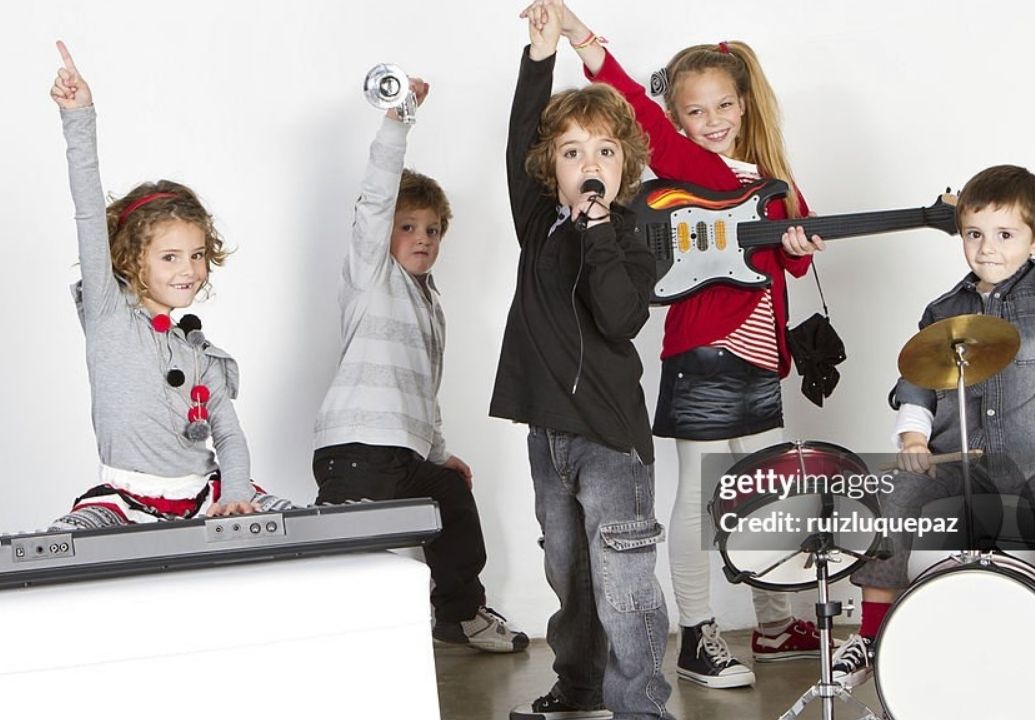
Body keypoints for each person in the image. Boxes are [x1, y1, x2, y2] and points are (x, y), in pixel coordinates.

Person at [532, 0, 828, 689]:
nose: (714, 121)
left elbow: (794, 264)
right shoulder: (691, 168)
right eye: (696, 112)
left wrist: (797, 243)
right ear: (679, 121)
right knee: (699, 503)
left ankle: (777, 626)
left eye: (725, 106)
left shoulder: (770, 178)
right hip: (702, 362)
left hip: (762, 365)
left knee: (770, 496)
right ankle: (697, 638)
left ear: (745, 106)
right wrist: (579, 36)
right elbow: (635, 107)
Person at [833, 85, 1035, 720]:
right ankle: (868, 640)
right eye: (974, 233)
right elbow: (917, 382)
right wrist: (913, 439)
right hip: (960, 462)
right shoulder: (944, 310)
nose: (987, 247)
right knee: (890, 498)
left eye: (1005, 234)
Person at [495, 6, 674, 719]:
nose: (589, 164)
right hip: (548, 434)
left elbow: (622, 316)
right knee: (569, 576)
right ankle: (579, 691)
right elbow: (518, 140)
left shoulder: (636, 236)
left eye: (603, 151)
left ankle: (642, 709)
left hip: (610, 442)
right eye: (572, 153)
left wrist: (599, 230)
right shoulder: (537, 223)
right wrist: (539, 58)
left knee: (624, 586)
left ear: (624, 164)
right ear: (552, 171)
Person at [311, 76, 527, 654]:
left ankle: (458, 614)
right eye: (407, 228)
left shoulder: (430, 303)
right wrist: (397, 121)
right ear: (384, 236)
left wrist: (437, 453)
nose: (422, 238)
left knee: (452, 496)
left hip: (401, 453)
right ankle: (322, 622)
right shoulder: (370, 276)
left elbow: (424, 392)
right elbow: (377, 197)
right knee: (354, 554)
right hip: (357, 449)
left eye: (432, 230)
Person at [48, 41, 291, 530]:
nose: (189, 270)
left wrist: (238, 494)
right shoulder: (108, 313)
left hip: (203, 493)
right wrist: (79, 116)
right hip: (124, 495)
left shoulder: (200, 354)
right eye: (170, 257)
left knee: (286, 514)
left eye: (197, 255)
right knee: (72, 533)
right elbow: (89, 211)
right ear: (132, 258)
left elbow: (228, 436)